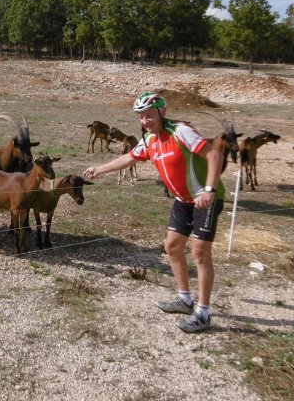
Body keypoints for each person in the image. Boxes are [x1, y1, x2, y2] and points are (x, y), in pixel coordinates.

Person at [83, 92, 225, 333]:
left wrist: (209, 190)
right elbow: (129, 158)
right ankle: (185, 299)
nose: (145, 121)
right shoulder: (150, 140)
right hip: (183, 200)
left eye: (149, 115)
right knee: (172, 247)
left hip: (205, 199)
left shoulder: (181, 131)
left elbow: (214, 155)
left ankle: (203, 312)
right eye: (141, 117)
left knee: (199, 252)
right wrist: (100, 169)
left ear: (162, 112)